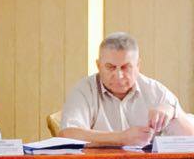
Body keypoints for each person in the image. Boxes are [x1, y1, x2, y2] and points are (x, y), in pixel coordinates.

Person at [60, 32, 194, 146]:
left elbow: (190, 138)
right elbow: (67, 135)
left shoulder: (155, 91)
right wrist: (121, 138)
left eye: (126, 67)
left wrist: (173, 112)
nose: (118, 75)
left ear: (138, 66)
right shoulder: (84, 90)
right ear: (98, 65)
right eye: (110, 67)